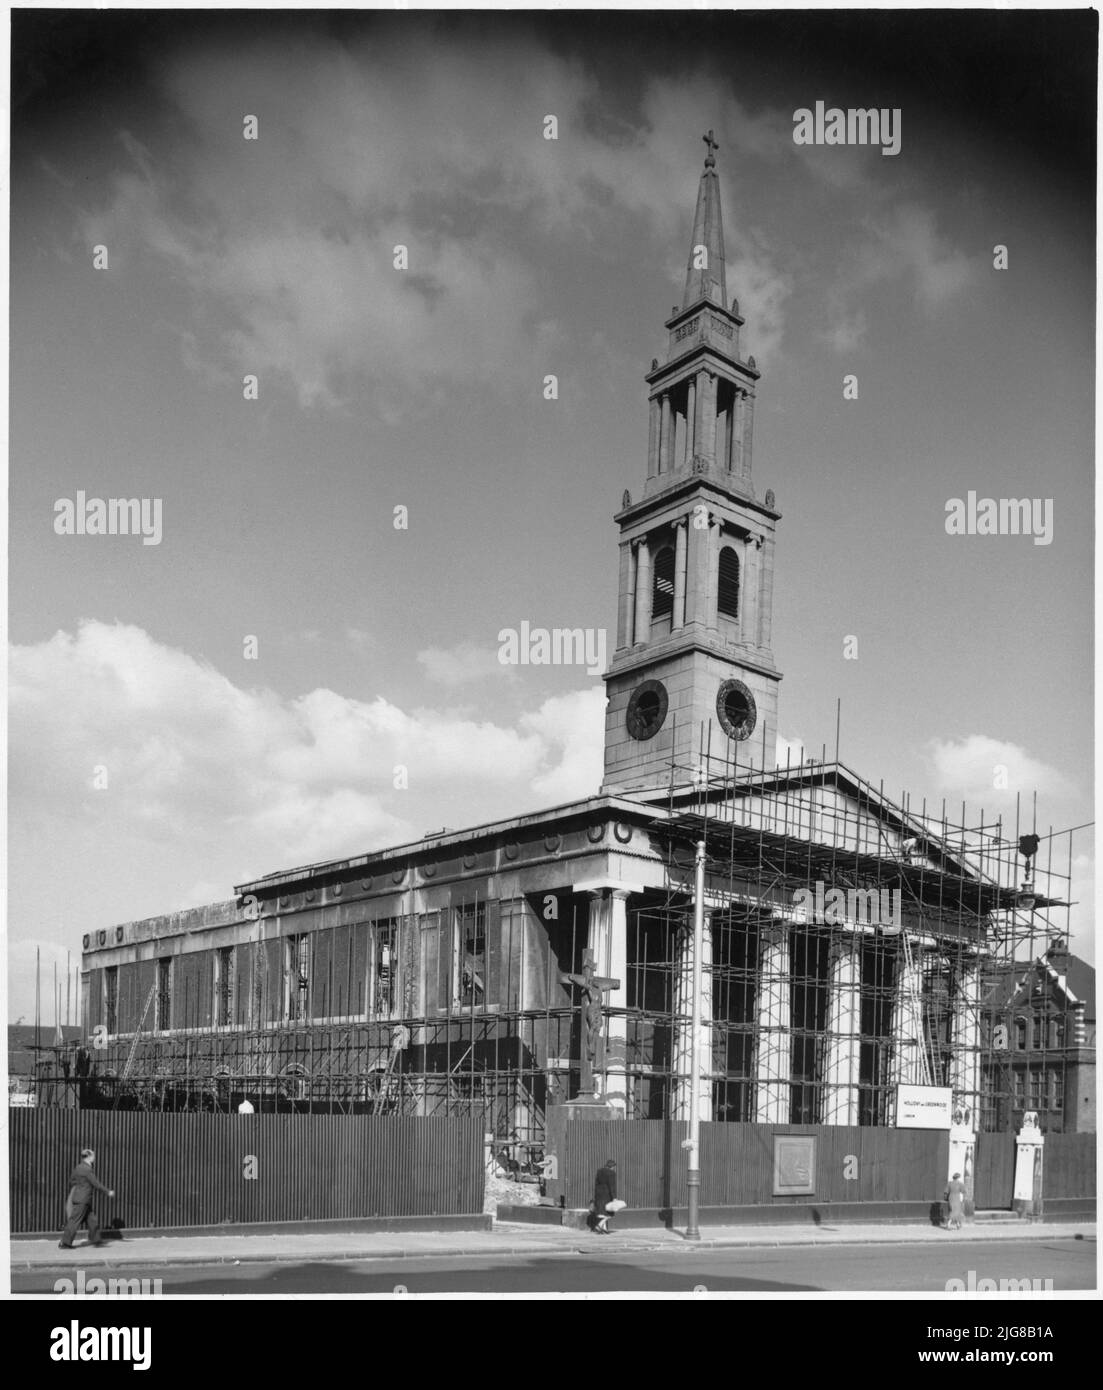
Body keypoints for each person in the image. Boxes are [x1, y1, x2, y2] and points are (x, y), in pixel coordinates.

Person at [58, 1147, 114, 1250]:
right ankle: (65, 1243)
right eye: (93, 1156)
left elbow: (71, 1181)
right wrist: (108, 1192)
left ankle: (96, 1240)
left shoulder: (78, 1167)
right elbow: (96, 1184)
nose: (94, 1158)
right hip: (83, 1200)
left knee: (92, 1220)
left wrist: (80, 1186)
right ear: (88, 1157)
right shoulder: (87, 1169)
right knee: (74, 1221)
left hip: (82, 1198)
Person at [593, 1158, 620, 1234]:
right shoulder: (611, 1173)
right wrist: (614, 1197)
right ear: (612, 1166)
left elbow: (596, 1183)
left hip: (599, 1194)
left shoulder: (599, 1171)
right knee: (609, 1213)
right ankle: (599, 1225)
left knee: (602, 1212)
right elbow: (612, 1186)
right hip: (607, 1195)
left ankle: (604, 1229)